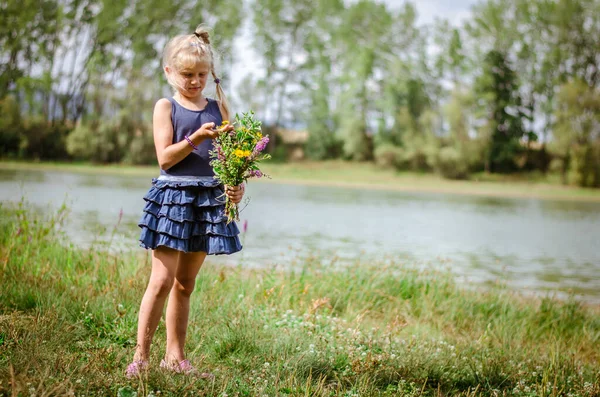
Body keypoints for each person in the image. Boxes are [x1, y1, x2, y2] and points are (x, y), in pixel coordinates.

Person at [126, 25, 244, 378]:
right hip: (174, 199)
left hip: (207, 199)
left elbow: (230, 162)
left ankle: (174, 359)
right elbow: (165, 158)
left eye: (201, 75)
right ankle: (141, 358)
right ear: (169, 72)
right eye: (187, 74)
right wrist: (195, 137)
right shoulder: (166, 107)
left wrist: (235, 188)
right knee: (161, 281)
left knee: (185, 284)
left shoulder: (218, 107)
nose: (195, 81)